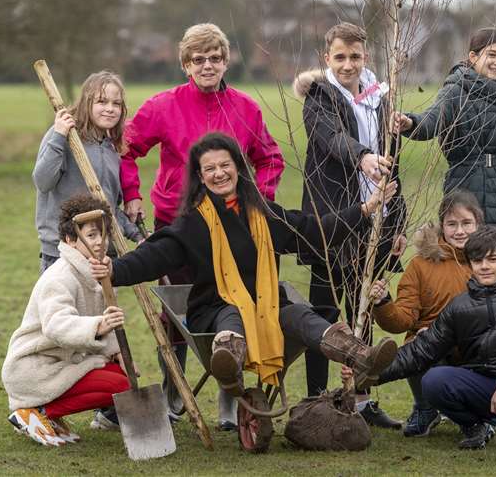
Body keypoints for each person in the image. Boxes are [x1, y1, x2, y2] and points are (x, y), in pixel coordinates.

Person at [91, 133, 399, 406]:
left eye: (225, 165)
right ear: (200, 176)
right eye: (209, 169)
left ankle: (360, 355)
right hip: (214, 307)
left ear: (238, 167)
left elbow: (312, 230)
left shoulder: (263, 214)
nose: (219, 173)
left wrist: (366, 208)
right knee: (232, 315)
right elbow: (154, 255)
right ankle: (229, 366)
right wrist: (115, 269)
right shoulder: (193, 223)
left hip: (267, 304)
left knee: (301, 315)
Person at [120, 23, 285, 429]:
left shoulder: (246, 109)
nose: (208, 65)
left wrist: (255, 202)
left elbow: (270, 158)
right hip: (177, 226)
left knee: (235, 307)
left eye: (215, 58)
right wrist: (132, 193)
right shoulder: (162, 106)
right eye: (199, 59)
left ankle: (230, 401)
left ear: (226, 61)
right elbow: (126, 150)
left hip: (233, 229)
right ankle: (175, 394)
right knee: (174, 315)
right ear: (185, 65)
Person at [293, 22, 407, 428]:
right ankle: (315, 399)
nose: (347, 64)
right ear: (327, 58)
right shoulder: (318, 98)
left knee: (364, 311)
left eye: (354, 57)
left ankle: (360, 402)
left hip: (375, 221)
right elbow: (330, 138)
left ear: (365, 58)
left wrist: (398, 222)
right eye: (339, 57)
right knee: (324, 314)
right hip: (333, 220)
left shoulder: (379, 100)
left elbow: (394, 161)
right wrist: (362, 156)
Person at [372, 226, 496, 451]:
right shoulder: (459, 306)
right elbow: (422, 350)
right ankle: (474, 426)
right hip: (482, 390)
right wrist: (371, 373)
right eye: (477, 261)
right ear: (470, 265)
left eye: (492, 259)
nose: (485, 266)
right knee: (434, 380)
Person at [392, 27, 496, 261]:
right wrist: (409, 122)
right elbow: (430, 122)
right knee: (465, 273)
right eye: (492, 55)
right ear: (473, 57)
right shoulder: (455, 93)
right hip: (468, 194)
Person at [2, 195, 132, 447]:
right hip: (33, 367)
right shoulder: (59, 277)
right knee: (118, 385)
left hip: (63, 362)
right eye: (91, 235)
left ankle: (47, 413)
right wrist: (98, 326)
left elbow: (106, 327)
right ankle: (35, 413)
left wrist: (118, 354)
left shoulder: (99, 274)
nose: (99, 242)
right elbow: (56, 326)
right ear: (71, 240)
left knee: (122, 377)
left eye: (102, 234)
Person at [368, 189, 483, 437]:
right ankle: (425, 408)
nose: (460, 231)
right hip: (431, 348)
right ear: (442, 225)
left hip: (476, 345)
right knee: (421, 340)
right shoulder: (421, 264)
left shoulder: (490, 260)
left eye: (466, 223)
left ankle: (478, 413)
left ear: (479, 223)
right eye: (452, 224)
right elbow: (402, 320)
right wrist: (383, 302)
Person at [33, 71, 142, 274]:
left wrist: (137, 235)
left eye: (116, 104)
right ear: (86, 103)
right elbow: (43, 181)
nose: (110, 109)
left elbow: (109, 207)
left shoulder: (112, 150)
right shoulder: (64, 136)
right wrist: (58, 136)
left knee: (102, 308)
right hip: (63, 253)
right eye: (102, 101)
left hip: (101, 256)